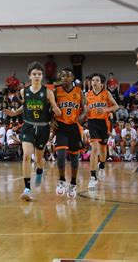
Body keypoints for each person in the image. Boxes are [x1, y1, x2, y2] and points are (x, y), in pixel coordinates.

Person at [5, 62, 61, 201]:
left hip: (43, 127)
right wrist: (14, 113)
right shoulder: (24, 91)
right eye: (34, 74)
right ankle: (27, 189)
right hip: (28, 126)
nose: (37, 76)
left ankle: (40, 171)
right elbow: (25, 106)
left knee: (39, 159)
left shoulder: (48, 92)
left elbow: (55, 108)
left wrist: (58, 112)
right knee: (26, 156)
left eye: (39, 74)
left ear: (42, 76)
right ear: (30, 76)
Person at [53, 68, 85, 199]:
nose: (64, 78)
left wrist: (81, 117)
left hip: (74, 127)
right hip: (61, 127)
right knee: (60, 156)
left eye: (67, 76)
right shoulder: (56, 91)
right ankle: (61, 181)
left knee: (74, 158)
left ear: (72, 78)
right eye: (62, 76)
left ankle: (73, 183)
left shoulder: (79, 91)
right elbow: (50, 108)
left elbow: (84, 109)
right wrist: (51, 121)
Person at [85, 73, 119, 190]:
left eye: (97, 80)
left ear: (101, 83)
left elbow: (116, 107)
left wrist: (105, 109)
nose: (94, 82)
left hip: (104, 123)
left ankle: (102, 166)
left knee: (103, 149)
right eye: (93, 80)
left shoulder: (106, 93)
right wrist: (85, 111)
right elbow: (83, 110)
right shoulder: (87, 95)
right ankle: (93, 177)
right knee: (94, 149)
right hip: (92, 123)